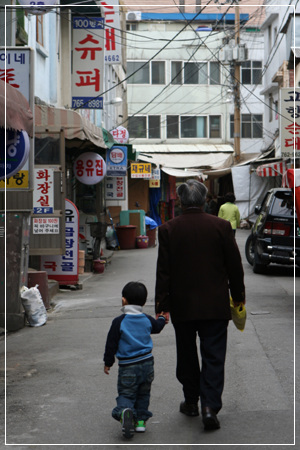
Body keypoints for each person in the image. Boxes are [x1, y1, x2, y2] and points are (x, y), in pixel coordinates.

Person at [155, 179, 245, 431]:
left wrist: (162, 305)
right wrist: (238, 296)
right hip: (215, 305)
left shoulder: (168, 229)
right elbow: (234, 267)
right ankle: (209, 406)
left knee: (186, 354)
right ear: (205, 200)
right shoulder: (221, 226)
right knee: (214, 356)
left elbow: (163, 272)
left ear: (182, 202)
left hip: (182, 306)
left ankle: (192, 401)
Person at [103, 281, 167, 439]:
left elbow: (111, 343)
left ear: (124, 300)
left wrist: (108, 362)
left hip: (128, 366)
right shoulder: (146, 318)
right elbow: (157, 328)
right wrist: (162, 319)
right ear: (144, 302)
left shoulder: (119, 321)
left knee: (127, 393)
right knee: (144, 394)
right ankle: (140, 423)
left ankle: (125, 412)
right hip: (147, 364)